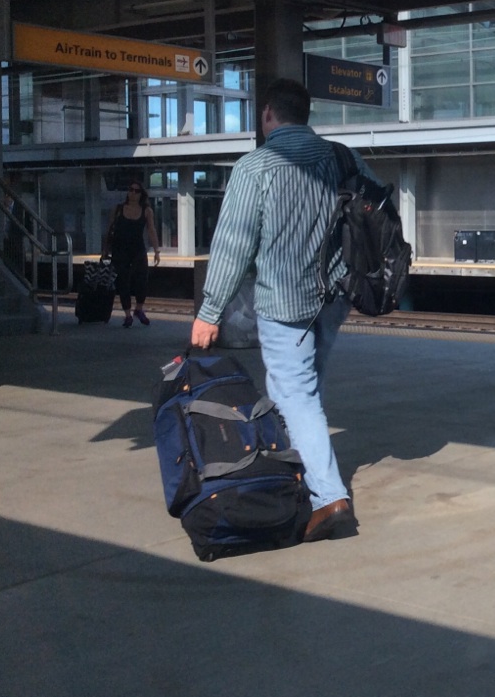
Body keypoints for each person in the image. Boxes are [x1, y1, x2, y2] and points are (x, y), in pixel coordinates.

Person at [190, 77, 374, 544]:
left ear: (268, 113)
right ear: (305, 113)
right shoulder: (345, 158)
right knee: (306, 391)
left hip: (285, 304)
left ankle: (328, 498)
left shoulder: (257, 167)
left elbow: (234, 245)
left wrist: (209, 312)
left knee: (296, 396)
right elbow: (373, 215)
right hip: (335, 298)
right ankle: (299, 472)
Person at [102, 180, 160, 328]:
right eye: (130, 190)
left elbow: (151, 230)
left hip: (138, 250)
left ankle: (139, 309)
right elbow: (110, 229)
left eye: (136, 191)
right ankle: (127, 315)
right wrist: (105, 249)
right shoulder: (118, 209)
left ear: (141, 194)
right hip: (120, 250)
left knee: (141, 280)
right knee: (123, 283)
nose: (133, 193)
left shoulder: (146, 210)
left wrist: (156, 250)